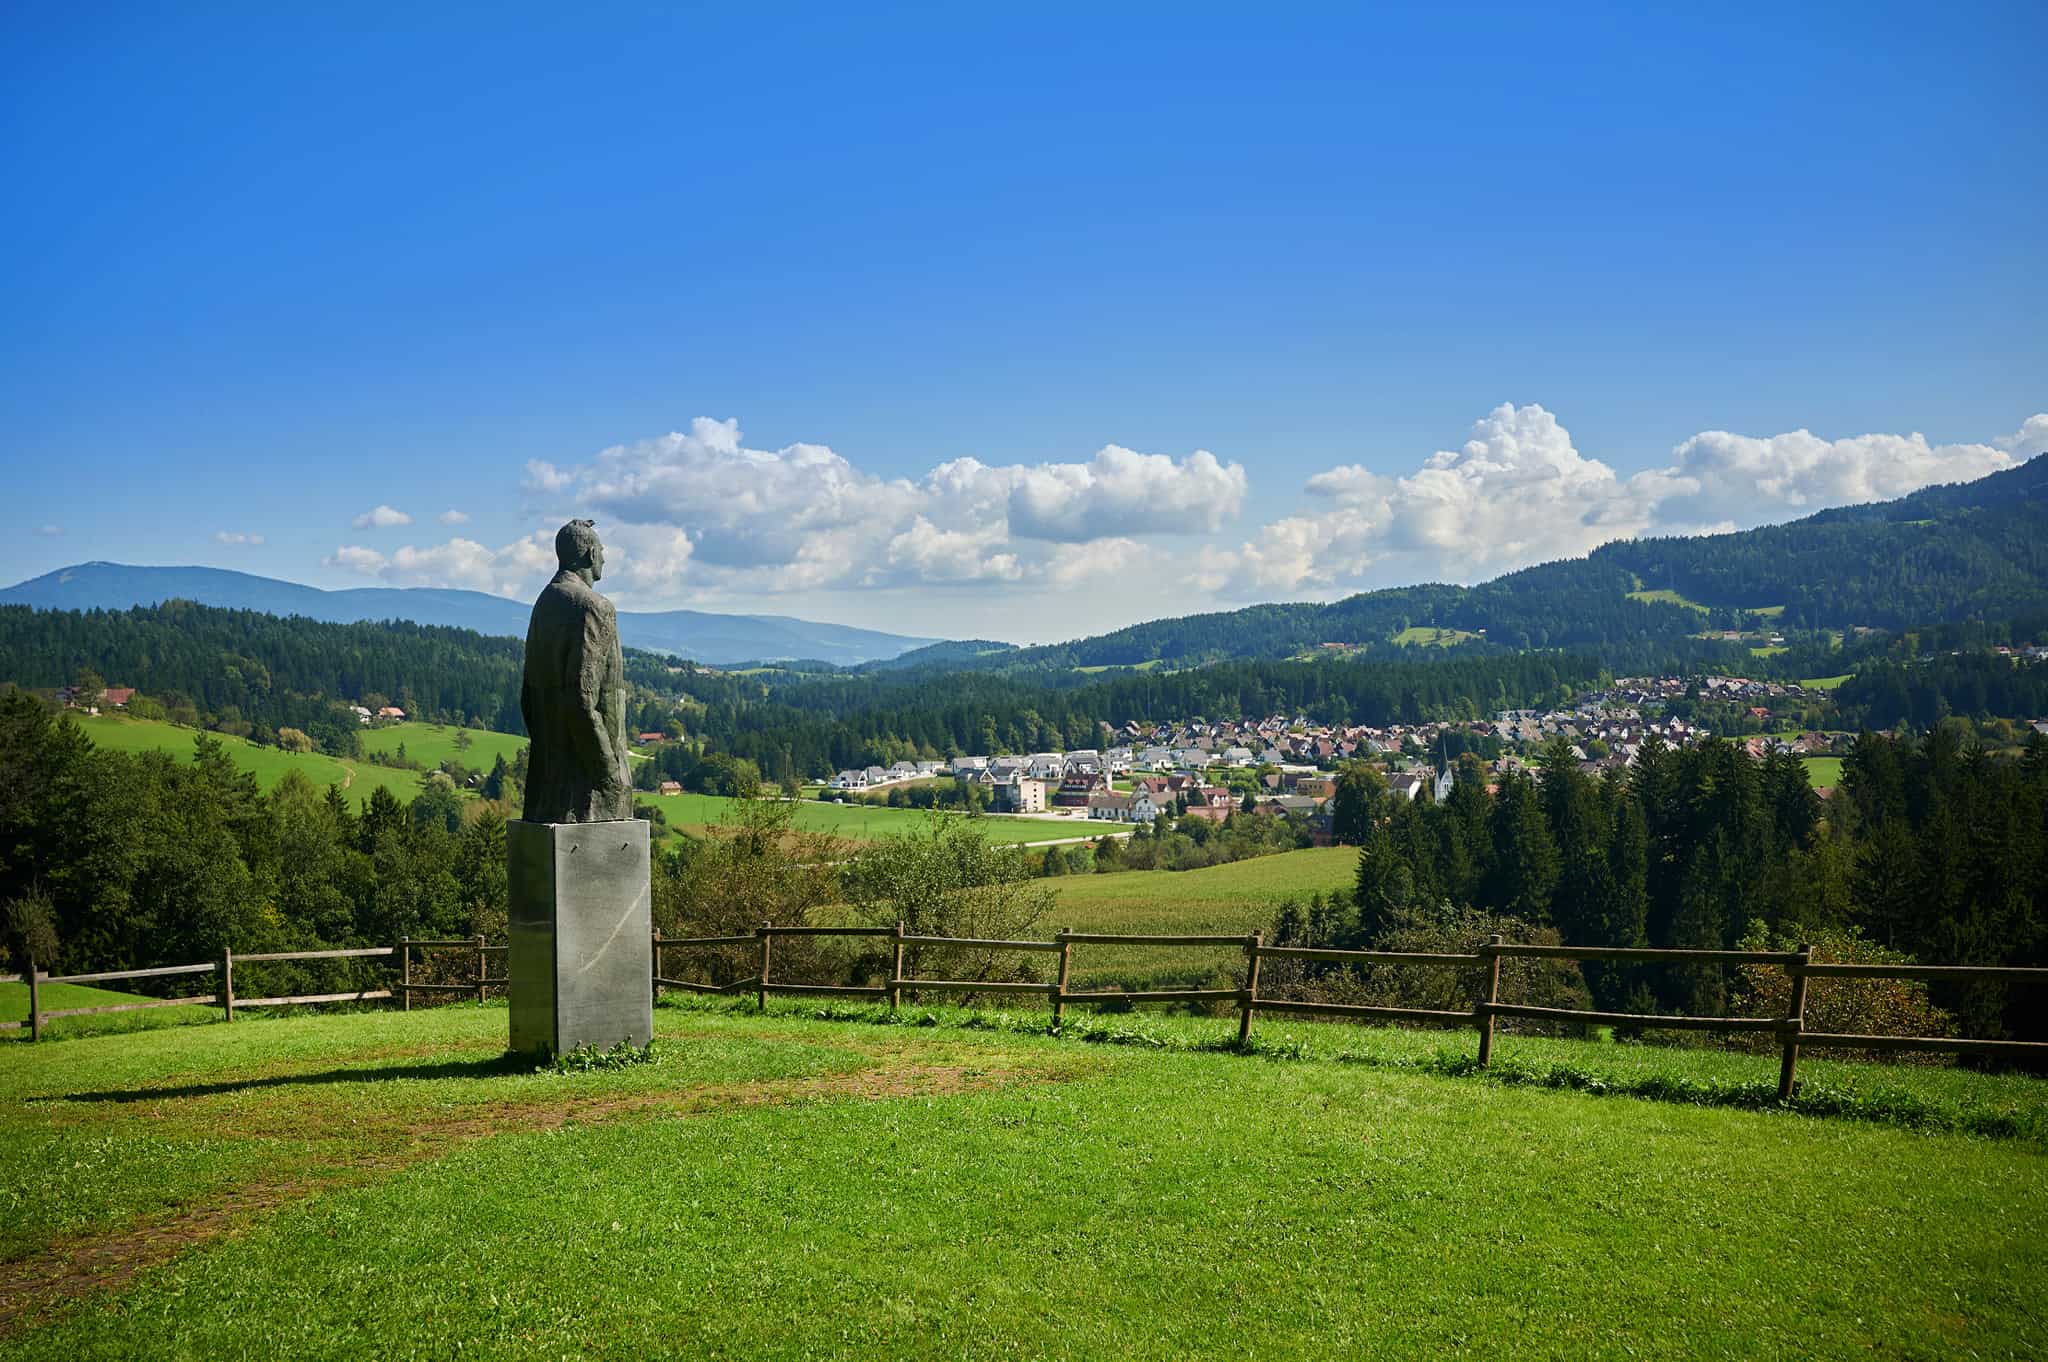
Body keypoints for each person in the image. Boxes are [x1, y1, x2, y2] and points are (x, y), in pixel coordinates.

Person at [520, 519, 632, 823]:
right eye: (602, 551)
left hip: (546, 783)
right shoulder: (594, 606)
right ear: (590, 554)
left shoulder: (544, 604)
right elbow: (582, 698)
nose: (605, 559)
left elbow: (528, 698)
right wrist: (609, 771)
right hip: (587, 795)